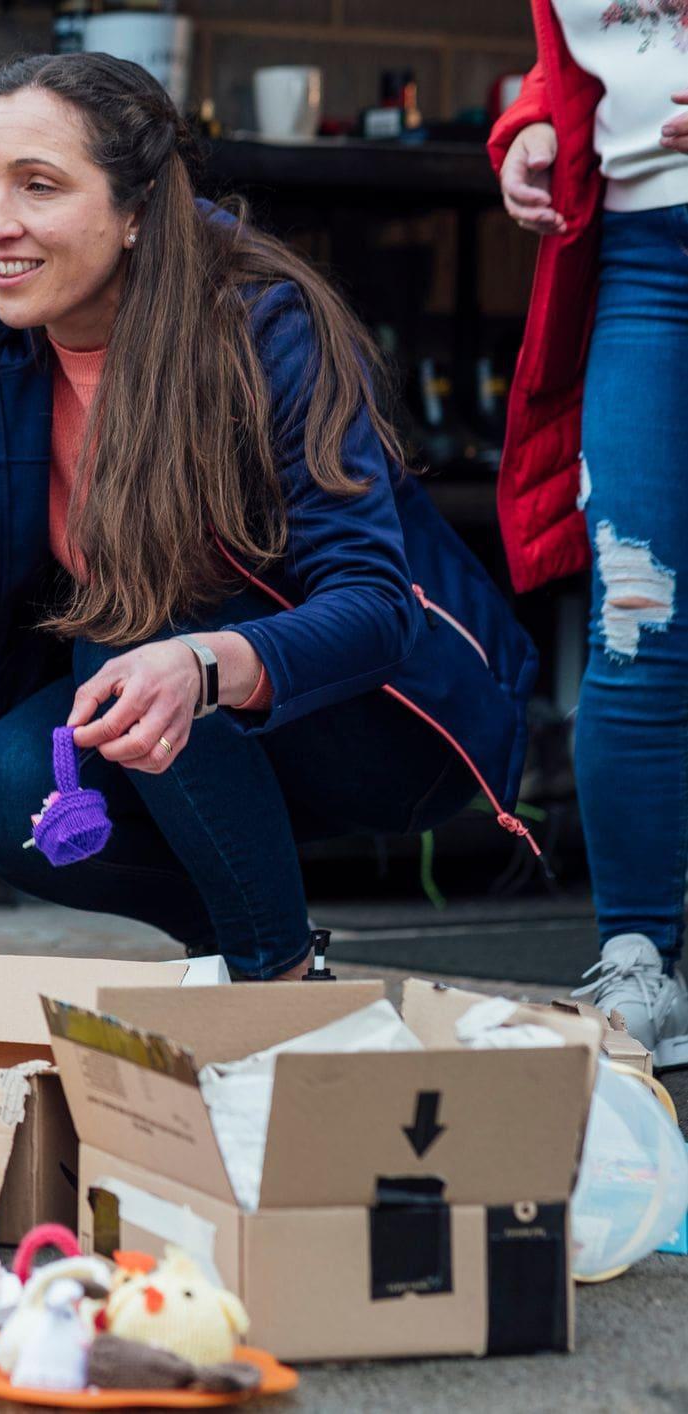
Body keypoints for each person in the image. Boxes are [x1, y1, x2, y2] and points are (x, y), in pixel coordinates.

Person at [0, 53, 537, 982]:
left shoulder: (265, 330)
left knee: (136, 629)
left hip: (378, 727)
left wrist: (205, 665)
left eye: (40, 187)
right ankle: (237, 945)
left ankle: (272, 981)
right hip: (181, 728)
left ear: (137, 212)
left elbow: (373, 606)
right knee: (4, 796)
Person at [493, 6, 688, 1065]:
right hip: (641, 258)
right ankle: (639, 959)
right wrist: (534, 121)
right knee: (636, 608)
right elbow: (597, 55)